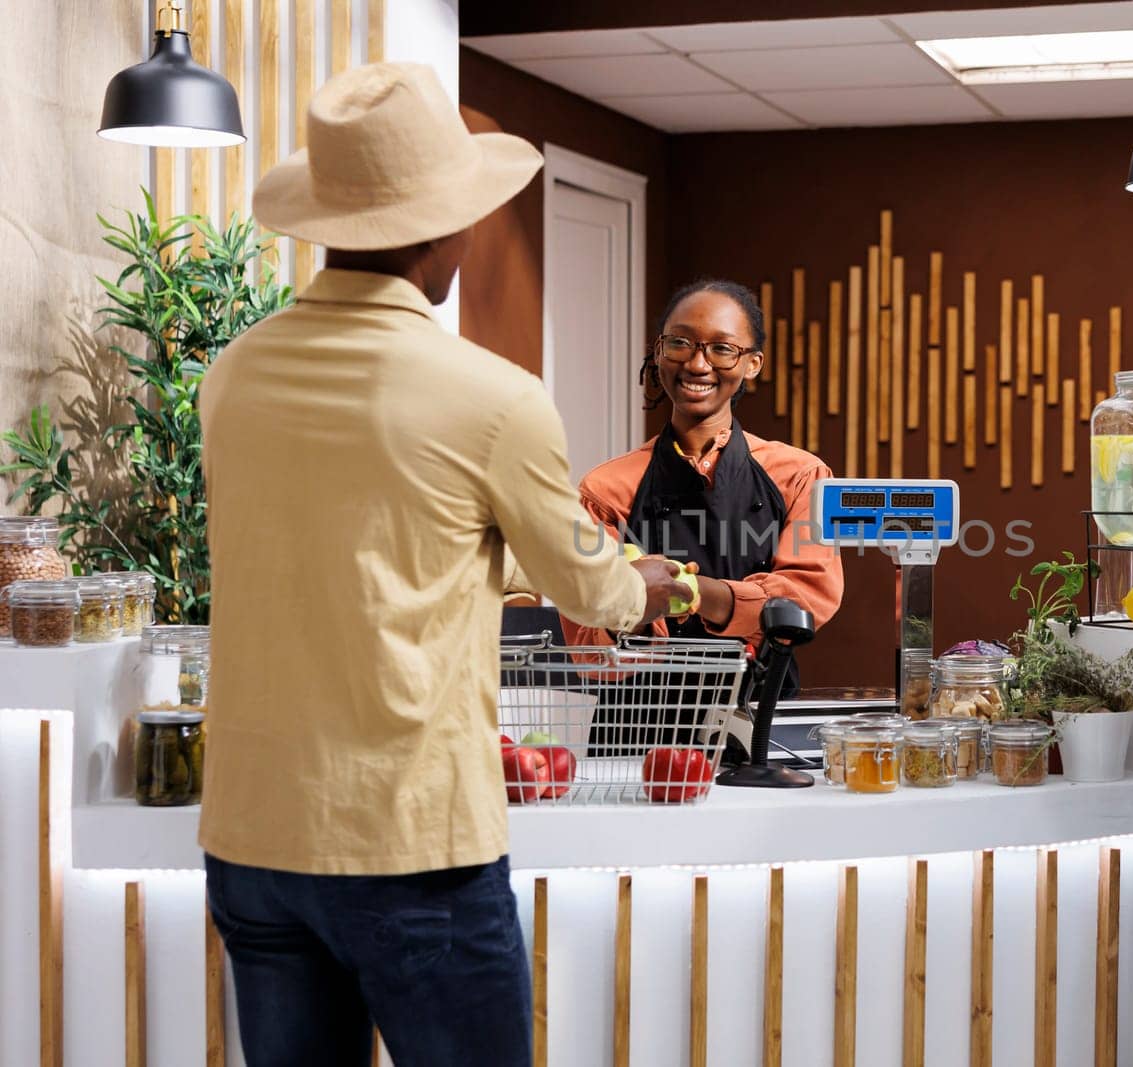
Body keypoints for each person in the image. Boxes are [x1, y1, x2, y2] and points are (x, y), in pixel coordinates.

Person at [197, 63, 690, 1066]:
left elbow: (371, 552)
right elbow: (590, 586)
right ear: (441, 231)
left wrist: (502, 567)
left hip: (253, 835)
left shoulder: (234, 374)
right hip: (408, 837)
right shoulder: (490, 396)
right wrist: (649, 580)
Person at [563, 281, 845, 695]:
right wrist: (633, 607)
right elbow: (590, 655)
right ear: (659, 352)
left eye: (722, 348)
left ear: (752, 364)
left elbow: (803, 601)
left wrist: (689, 592)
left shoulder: (801, 475)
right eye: (681, 343)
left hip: (760, 719)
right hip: (635, 736)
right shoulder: (605, 491)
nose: (698, 364)